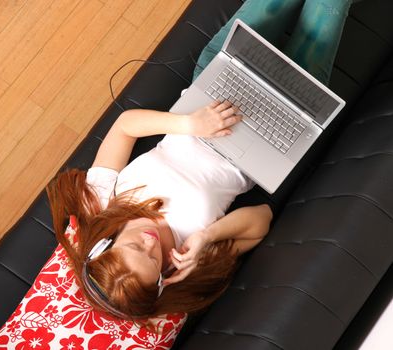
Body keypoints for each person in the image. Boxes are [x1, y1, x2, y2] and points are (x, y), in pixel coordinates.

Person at [47, 0, 357, 320]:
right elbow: (261, 219)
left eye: (134, 247)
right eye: (153, 261)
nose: (150, 245)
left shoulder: (100, 204)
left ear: (104, 247)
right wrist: (207, 237)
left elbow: (125, 126)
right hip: (275, 125)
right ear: (160, 282)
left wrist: (191, 125)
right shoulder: (188, 260)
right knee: (329, 6)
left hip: (212, 94)